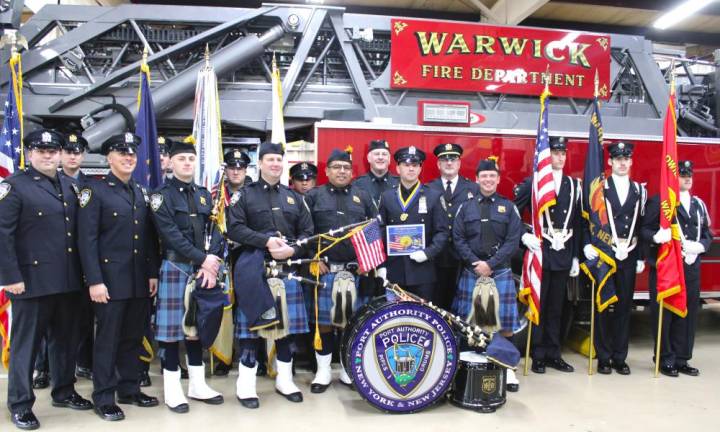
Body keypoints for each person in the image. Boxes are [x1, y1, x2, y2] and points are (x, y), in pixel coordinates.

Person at [0, 129, 93, 430]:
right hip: (30, 282)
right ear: (29, 153)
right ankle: (20, 403)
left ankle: (64, 390)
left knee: (65, 342)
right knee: (26, 346)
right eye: (40, 150)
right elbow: (3, 235)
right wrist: (10, 276)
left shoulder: (71, 186)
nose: (48, 155)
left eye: (53, 150)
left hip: (67, 281)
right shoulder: (14, 187)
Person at [78, 132, 160, 421]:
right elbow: (86, 241)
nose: (128, 158)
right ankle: (103, 396)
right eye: (121, 153)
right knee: (108, 340)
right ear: (109, 158)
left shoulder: (141, 191)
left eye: (132, 154)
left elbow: (148, 238)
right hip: (109, 282)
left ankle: (129, 388)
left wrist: (152, 273)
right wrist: (94, 281)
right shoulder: (94, 191)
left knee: (133, 338)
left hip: (138, 280)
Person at [227, 142, 313, 408]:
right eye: (270, 159)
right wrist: (266, 242)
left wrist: (292, 248)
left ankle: (284, 380)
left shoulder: (294, 197)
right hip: (254, 270)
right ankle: (246, 386)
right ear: (260, 163)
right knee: (251, 331)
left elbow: (308, 232)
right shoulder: (245, 195)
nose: (275, 164)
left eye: (279, 159)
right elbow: (234, 229)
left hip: (286, 270)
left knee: (286, 330)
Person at [150, 139, 225, 413]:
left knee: (195, 328)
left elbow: (215, 229)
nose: (187, 163)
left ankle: (197, 385)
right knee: (171, 333)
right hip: (175, 268)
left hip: (203, 270)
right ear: (169, 162)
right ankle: (172, 391)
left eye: (191, 159)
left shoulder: (205, 195)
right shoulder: (160, 196)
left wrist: (211, 261)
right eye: (181, 159)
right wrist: (204, 259)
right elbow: (170, 235)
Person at [304, 148, 376, 392]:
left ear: (352, 171)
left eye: (346, 167)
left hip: (355, 272)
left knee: (349, 323)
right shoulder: (313, 196)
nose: (342, 171)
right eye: (336, 167)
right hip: (324, 270)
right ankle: (323, 371)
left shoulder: (363, 197)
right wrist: (312, 257)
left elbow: (373, 230)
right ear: (327, 171)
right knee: (324, 322)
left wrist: (371, 262)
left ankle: (347, 369)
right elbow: (304, 231)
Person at [452, 157, 523, 392]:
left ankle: (509, 369)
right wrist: (475, 262)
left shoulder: (508, 206)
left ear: (498, 179)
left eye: (492, 176)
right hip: (472, 271)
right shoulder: (466, 206)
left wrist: (490, 264)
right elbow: (458, 238)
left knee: (505, 324)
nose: (488, 180)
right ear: (477, 179)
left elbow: (513, 241)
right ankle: (465, 368)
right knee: (469, 322)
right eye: (484, 176)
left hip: (499, 272)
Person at [514, 137, 581, 374]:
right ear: (546, 155)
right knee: (539, 306)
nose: (560, 157)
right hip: (541, 251)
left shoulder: (574, 185)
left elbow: (578, 223)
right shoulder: (535, 182)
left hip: (563, 253)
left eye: (563, 153)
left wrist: (575, 257)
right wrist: (524, 234)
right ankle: (538, 354)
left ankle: (554, 353)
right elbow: (513, 211)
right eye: (555, 153)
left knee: (557, 307)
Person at [641, 160, 711, 377]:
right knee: (665, 314)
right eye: (682, 174)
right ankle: (665, 358)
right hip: (667, 266)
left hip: (690, 266)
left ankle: (682, 358)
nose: (687, 178)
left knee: (688, 315)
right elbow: (643, 230)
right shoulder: (660, 203)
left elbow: (707, 233)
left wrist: (699, 246)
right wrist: (655, 237)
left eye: (689, 174)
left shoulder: (698, 205)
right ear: (673, 177)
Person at [583, 141, 646, 375]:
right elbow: (587, 219)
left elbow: (640, 225)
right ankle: (603, 356)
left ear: (631, 162)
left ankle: (620, 357)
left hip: (627, 255)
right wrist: (587, 244)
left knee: (623, 308)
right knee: (603, 306)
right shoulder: (599, 189)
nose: (622, 163)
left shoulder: (640, 190)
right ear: (609, 161)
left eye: (626, 159)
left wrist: (639, 256)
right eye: (618, 158)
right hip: (605, 256)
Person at [378, 146, 449, 300]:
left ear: (420, 169)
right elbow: (380, 231)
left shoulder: (433, 196)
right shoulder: (387, 196)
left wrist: (427, 253)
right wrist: (381, 265)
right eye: (406, 165)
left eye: (415, 165)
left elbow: (442, 232)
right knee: (394, 318)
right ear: (397, 168)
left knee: (421, 319)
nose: (411, 169)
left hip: (423, 272)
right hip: (394, 270)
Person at [211, 147, 252, 376]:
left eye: (240, 168)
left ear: (246, 170)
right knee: (225, 307)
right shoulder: (215, 194)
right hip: (223, 256)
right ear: (225, 170)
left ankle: (250, 353)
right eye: (232, 168)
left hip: (247, 255)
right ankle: (224, 356)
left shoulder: (254, 192)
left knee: (248, 305)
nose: (236, 172)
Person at [427, 143, 479, 310]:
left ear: (459, 163)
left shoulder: (473, 189)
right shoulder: (427, 188)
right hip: (436, 257)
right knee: (436, 302)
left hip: (463, 257)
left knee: (462, 303)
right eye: (444, 159)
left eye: (453, 159)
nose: (449, 163)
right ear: (438, 164)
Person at [353, 139, 399, 208]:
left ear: (389, 159)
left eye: (384, 154)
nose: (380, 157)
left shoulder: (399, 183)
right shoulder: (357, 185)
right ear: (369, 158)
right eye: (376, 154)